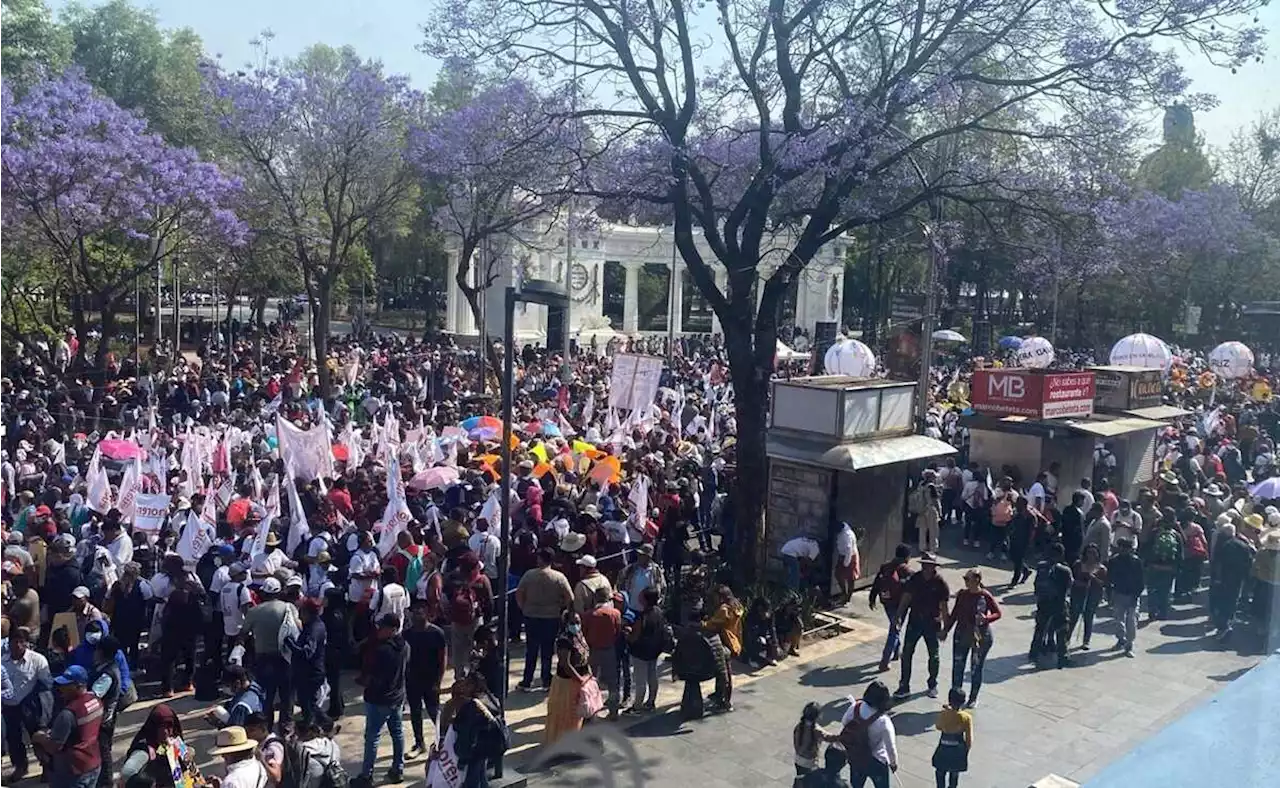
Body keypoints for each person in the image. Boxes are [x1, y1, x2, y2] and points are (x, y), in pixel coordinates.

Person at [33, 665, 102, 788]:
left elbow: (54, 747)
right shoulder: (96, 701)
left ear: (79, 686)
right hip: (93, 764)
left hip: (72, 771)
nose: (61, 688)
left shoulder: (68, 714)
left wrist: (39, 737)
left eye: (66, 685)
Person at [359, 613, 409, 784]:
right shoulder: (405, 646)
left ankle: (366, 776)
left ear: (393, 629)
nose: (379, 630)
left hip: (379, 699)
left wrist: (364, 683)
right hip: (397, 697)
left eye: (383, 627)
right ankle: (398, 769)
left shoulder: (383, 650)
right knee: (397, 733)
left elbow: (374, 678)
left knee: (372, 737)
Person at [514, 548, 573, 692]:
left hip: (531, 616)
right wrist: (562, 609)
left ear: (541, 559)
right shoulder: (559, 577)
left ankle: (527, 681)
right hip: (551, 617)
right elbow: (570, 597)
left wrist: (524, 607)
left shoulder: (529, 575)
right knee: (547, 650)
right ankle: (546, 680)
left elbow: (519, 593)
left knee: (531, 650)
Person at [893, 553, 949, 699]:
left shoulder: (940, 583)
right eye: (924, 564)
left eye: (929, 565)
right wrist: (898, 616)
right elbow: (906, 598)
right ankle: (904, 686)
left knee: (934, 655)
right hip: (915, 621)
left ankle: (932, 684)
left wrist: (945, 628)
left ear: (934, 567)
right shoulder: (915, 579)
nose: (926, 567)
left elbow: (944, 607)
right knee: (907, 653)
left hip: (932, 623)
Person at [241, 575, 294, 726]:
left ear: (263, 593)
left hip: (263, 659)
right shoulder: (288, 608)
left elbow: (243, 633)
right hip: (286, 657)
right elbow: (298, 629)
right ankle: (286, 727)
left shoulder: (255, 611)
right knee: (287, 695)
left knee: (266, 696)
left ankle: (266, 726)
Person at [944, 569, 1000, 708]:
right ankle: (955, 698)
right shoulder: (962, 594)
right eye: (965, 579)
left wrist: (986, 619)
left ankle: (973, 697)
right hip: (961, 634)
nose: (966, 582)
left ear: (977, 580)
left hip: (980, 637)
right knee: (958, 666)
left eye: (968, 579)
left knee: (975, 668)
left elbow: (997, 613)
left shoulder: (985, 595)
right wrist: (946, 629)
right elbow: (955, 613)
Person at [2, 626, 52, 781]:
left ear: (26, 643)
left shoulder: (38, 660)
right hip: (9, 706)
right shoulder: (2, 661)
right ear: (8, 643)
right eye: (14, 642)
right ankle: (20, 767)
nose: (17, 645)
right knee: (13, 738)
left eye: (21, 642)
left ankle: (47, 767)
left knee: (37, 737)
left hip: (31, 704)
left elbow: (47, 684)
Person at [404, 602, 447, 755]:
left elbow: (443, 659)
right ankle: (419, 743)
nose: (418, 615)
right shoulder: (407, 634)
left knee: (434, 712)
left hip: (431, 680)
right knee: (415, 712)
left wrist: (439, 681)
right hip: (413, 680)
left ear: (428, 614)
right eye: (415, 612)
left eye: (421, 612)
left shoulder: (437, 633)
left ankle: (442, 741)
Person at [119, 705, 197, 788]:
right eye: (161, 727)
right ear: (154, 727)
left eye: (169, 726)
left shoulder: (173, 742)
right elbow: (127, 773)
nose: (166, 732)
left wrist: (189, 752)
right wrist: (149, 784)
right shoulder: (145, 750)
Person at [838, 680, 898, 788]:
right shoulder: (883, 721)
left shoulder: (855, 707)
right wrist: (893, 763)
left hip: (856, 758)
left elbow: (844, 722)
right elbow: (890, 747)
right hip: (877, 760)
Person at [545, 610, 591, 745]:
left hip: (579, 681)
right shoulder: (564, 640)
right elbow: (566, 664)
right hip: (566, 683)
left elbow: (586, 656)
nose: (576, 625)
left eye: (578, 622)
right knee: (565, 714)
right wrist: (580, 679)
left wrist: (589, 674)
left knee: (576, 714)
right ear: (565, 624)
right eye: (573, 622)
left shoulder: (579, 635)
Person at [625, 587, 669, 715]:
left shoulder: (642, 617)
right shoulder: (659, 612)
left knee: (640, 680)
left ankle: (637, 706)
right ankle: (651, 702)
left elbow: (634, 637)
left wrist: (627, 634)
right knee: (652, 676)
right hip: (654, 650)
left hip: (641, 652)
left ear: (644, 599)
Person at [1209, 523, 1256, 641]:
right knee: (1232, 601)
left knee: (1221, 602)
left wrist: (1217, 578)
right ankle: (1228, 624)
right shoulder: (1243, 545)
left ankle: (1223, 627)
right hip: (1237, 580)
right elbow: (1249, 562)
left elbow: (1217, 563)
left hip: (1223, 579)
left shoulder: (1223, 545)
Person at [868, 544, 912, 673]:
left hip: (887, 602)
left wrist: (872, 597)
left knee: (894, 627)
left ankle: (896, 651)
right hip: (900, 605)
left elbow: (877, 582)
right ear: (907, 557)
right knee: (894, 631)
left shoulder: (885, 566)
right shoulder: (906, 570)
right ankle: (884, 661)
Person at [581, 585, 622, 719]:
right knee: (613, 682)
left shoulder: (588, 615)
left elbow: (584, 633)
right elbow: (618, 632)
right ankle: (614, 711)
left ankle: (591, 711)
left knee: (590, 682)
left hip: (593, 651)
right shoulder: (615, 613)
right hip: (609, 649)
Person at [285, 598, 328, 721]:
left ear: (308, 612)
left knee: (309, 705)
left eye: (301, 611)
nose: (299, 614)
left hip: (311, 674)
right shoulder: (311, 625)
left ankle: (325, 724)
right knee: (306, 704)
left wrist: (291, 644)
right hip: (306, 672)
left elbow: (307, 653)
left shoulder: (314, 629)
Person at [1030, 542, 1073, 668]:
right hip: (1058, 604)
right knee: (1062, 631)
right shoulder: (1065, 570)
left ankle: (1034, 653)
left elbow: (1036, 584)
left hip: (1043, 602)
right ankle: (1062, 656)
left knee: (1040, 629)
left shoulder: (1041, 566)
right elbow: (1069, 586)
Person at [704, 585, 743, 712]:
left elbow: (711, 624)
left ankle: (724, 701)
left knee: (723, 672)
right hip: (734, 641)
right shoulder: (736, 606)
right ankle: (720, 695)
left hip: (724, 642)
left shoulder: (724, 610)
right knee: (725, 670)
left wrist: (701, 624)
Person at [1106, 536, 1145, 657]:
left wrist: (1136, 595)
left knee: (1131, 621)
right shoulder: (1113, 561)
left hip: (1132, 595)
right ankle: (1120, 639)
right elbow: (1109, 579)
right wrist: (1109, 595)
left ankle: (1129, 645)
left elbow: (1141, 581)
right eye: (1122, 547)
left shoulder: (1136, 562)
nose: (1124, 550)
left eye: (1126, 547)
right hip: (1118, 593)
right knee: (1118, 620)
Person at [1067, 543, 1108, 650]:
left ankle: (1086, 641)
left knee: (1088, 617)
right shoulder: (1078, 564)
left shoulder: (1101, 568)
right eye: (1089, 552)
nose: (1091, 555)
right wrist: (1081, 583)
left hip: (1093, 595)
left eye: (1094, 553)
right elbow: (1072, 579)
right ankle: (1066, 638)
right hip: (1078, 594)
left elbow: (1103, 584)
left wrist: (1093, 578)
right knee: (1073, 616)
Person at [1145, 512, 1184, 621]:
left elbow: (1147, 548)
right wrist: (1178, 568)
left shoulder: (1154, 532)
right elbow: (1180, 553)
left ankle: (1152, 611)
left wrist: (1147, 564)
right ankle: (1163, 613)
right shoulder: (1176, 535)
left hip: (1154, 566)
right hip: (1169, 568)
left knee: (1152, 589)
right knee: (1165, 591)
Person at [931, 688, 973, 788]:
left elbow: (938, 726)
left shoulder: (944, 713)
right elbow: (969, 739)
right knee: (954, 773)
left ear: (949, 700)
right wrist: (965, 751)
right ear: (963, 702)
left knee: (940, 771)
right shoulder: (966, 718)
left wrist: (947, 712)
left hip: (944, 748)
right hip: (957, 750)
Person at [793, 701, 837, 784]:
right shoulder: (816, 730)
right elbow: (829, 737)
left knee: (800, 778)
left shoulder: (799, 726)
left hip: (798, 759)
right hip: (810, 762)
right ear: (818, 716)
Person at [1007, 498, 1036, 586]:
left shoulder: (1030, 516)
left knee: (1018, 560)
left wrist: (1030, 541)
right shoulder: (1017, 512)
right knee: (1013, 557)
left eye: (1018, 504)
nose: (1016, 505)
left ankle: (1015, 580)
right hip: (1014, 538)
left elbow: (1032, 530)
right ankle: (1026, 570)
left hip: (1023, 540)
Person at [834, 522, 860, 604]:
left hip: (849, 556)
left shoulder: (847, 535)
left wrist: (846, 563)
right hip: (842, 554)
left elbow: (849, 550)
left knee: (850, 579)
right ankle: (844, 593)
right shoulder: (843, 530)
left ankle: (847, 597)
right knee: (838, 575)